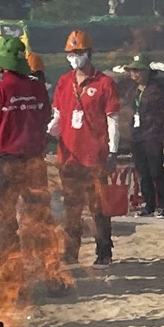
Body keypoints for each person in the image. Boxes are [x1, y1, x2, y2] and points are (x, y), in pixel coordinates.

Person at [0, 38, 60, 282]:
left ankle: (14, 278)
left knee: (5, 224)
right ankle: (50, 274)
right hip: (35, 162)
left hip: (5, 163)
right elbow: (45, 118)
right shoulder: (38, 89)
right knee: (40, 220)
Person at [49, 29, 120, 269]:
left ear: (89, 53)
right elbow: (58, 116)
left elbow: (113, 120)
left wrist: (113, 152)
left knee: (99, 209)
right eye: (71, 53)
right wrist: (47, 132)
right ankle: (70, 253)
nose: (74, 57)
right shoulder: (64, 82)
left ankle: (104, 252)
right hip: (69, 158)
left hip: (95, 158)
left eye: (78, 52)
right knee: (72, 209)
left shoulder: (105, 83)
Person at [123, 53, 164, 218]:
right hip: (136, 134)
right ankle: (148, 204)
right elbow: (129, 109)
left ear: (146, 72)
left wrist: (155, 124)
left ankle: (163, 206)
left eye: (137, 70)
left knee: (156, 170)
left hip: (152, 135)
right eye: (132, 70)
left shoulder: (156, 90)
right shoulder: (133, 91)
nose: (134, 74)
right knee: (142, 171)